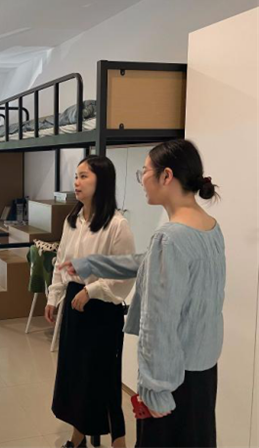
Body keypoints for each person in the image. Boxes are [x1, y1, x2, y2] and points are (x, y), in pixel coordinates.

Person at [60, 139, 225, 448]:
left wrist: (154, 389)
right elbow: (146, 261)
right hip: (202, 368)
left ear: (166, 176)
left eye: (145, 171)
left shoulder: (169, 237)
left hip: (171, 376)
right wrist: (91, 263)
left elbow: (158, 323)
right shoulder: (208, 226)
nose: (142, 180)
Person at [45, 155, 136, 448]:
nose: (77, 182)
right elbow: (61, 261)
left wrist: (92, 290)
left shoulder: (117, 225)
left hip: (102, 311)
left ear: (102, 182)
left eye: (84, 176)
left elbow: (125, 274)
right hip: (75, 305)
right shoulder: (72, 221)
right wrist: (54, 296)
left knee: (104, 379)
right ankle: (78, 438)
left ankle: (119, 443)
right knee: (76, 376)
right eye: (76, 176)